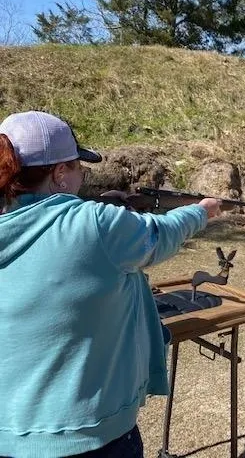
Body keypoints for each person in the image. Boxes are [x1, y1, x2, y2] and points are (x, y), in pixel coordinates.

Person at [0, 111, 222, 457]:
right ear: (60, 173)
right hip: (90, 437)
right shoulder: (94, 224)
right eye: (77, 168)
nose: (80, 176)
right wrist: (201, 211)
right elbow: (160, 234)